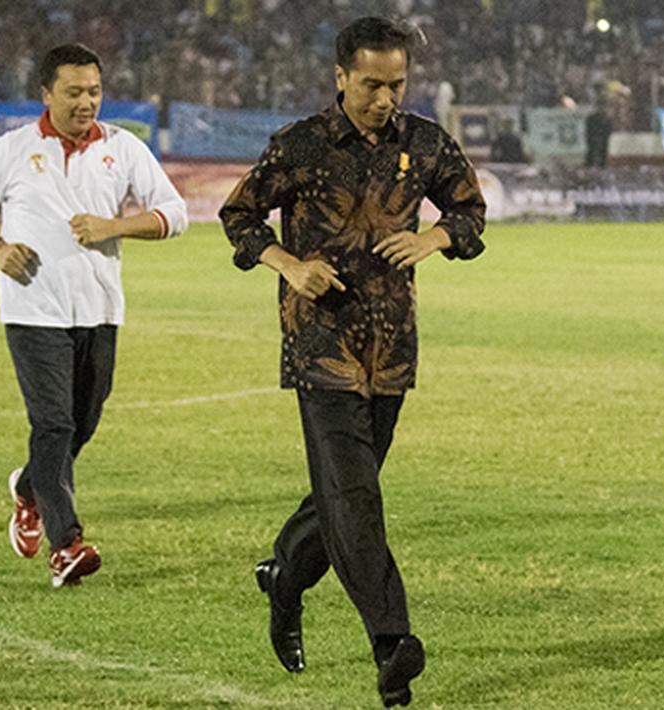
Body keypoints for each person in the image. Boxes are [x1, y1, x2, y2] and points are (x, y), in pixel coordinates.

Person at [219, 17, 486, 708]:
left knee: (343, 498)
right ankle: (391, 646)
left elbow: (469, 213)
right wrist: (288, 265)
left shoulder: (425, 142)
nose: (383, 98)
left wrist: (433, 239)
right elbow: (239, 218)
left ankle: (286, 575)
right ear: (340, 77)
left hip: (391, 353)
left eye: (395, 84)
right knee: (357, 499)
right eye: (370, 84)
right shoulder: (300, 146)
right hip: (320, 351)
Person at [0, 44, 187, 588]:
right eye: (74, 92)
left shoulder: (123, 149)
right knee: (54, 423)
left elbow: (175, 214)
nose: (87, 103)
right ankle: (67, 546)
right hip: (33, 309)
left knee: (83, 422)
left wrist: (115, 226)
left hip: (100, 309)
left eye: (95, 92)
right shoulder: (10, 150)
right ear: (46, 93)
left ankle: (30, 488)